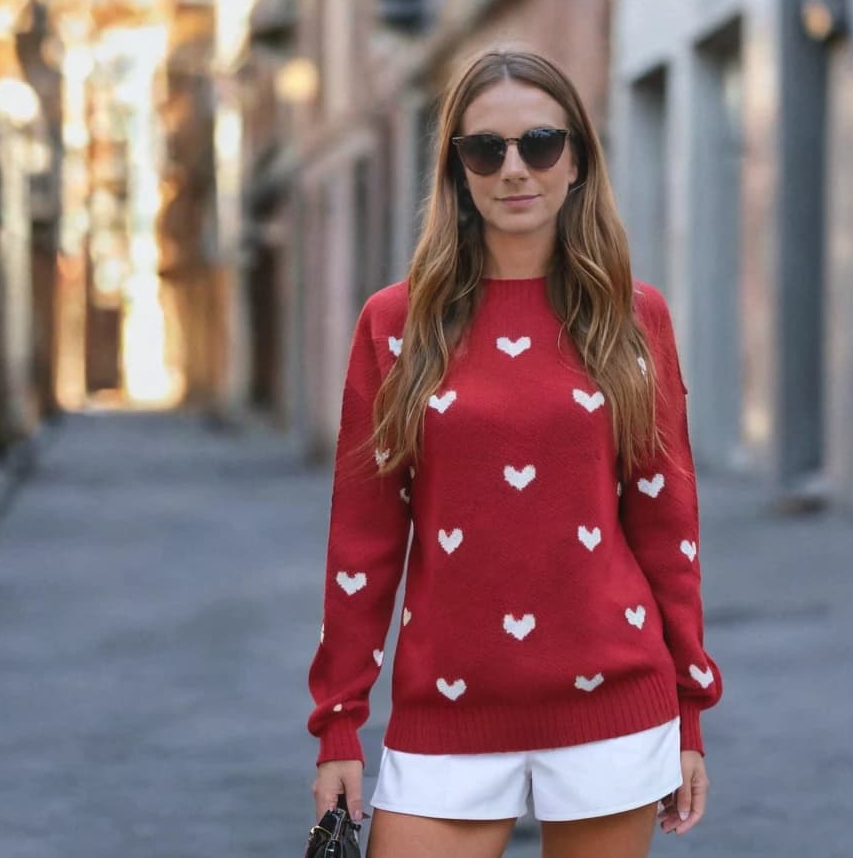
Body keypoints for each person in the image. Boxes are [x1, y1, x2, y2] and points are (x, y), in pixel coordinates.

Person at [306, 46, 723, 858]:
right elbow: (363, 540)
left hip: (612, 698)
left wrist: (690, 711)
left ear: (576, 161)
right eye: (484, 149)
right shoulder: (396, 326)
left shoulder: (634, 320)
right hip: (445, 707)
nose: (514, 169)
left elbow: (668, 527)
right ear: (457, 170)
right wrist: (339, 726)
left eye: (540, 143)